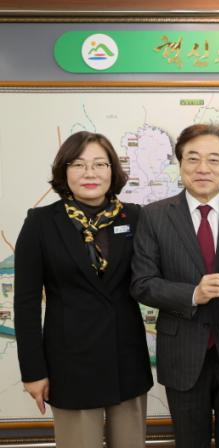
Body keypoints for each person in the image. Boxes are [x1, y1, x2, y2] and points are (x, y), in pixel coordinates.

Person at [131, 124, 219, 448]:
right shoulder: (154, 215)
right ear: (180, 163)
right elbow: (142, 283)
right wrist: (193, 293)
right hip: (182, 354)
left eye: (213, 160)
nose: (203, 168)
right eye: (193, 158)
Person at [14, 131, 152, 447]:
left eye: (100, 164)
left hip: (126, 359)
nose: (90, 173)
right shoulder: (40, 223)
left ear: (112, 170)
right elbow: (25, 303)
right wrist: (33, 371)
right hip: (70, 364)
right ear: (64, 171)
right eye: (78, 164)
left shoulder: (135, 217)